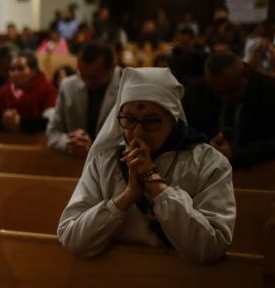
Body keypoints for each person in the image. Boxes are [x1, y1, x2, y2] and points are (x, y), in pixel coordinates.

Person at [57, 67, 234, 264]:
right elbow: (73, 239)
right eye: (129, 119)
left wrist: (156, 185)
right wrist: (126, 197)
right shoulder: (104, 162)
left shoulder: (207, 162)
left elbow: (211, 246)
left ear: (172, 119)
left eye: (151, 121)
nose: (138, 132)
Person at [183, 51, 275, 170]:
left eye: (230, 91)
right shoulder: (196, 91)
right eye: (217, 92)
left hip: (256, 171)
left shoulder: (270, 91)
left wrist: (237, 155)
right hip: (204, 170)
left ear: (245, 75)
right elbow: (183, 131)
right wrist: (204, 145)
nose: (224, 98)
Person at [47, 41, 121, 157]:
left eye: (93, 78)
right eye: (82, 75)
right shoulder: (68, 86)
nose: (85, 82)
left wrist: (95, 149)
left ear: (112, 67)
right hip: (74, 162)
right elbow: (53, 132)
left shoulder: (127, 87)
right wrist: (69, 142)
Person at [0, 51, 58, 134]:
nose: (15, 73)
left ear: (33, 71)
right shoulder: (4, 90)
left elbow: (51, 121)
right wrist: (4, 122)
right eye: (12, 69)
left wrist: (20, 123)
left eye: (20, 69)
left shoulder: (48, 89)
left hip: (36, 141)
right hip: (6, 141)